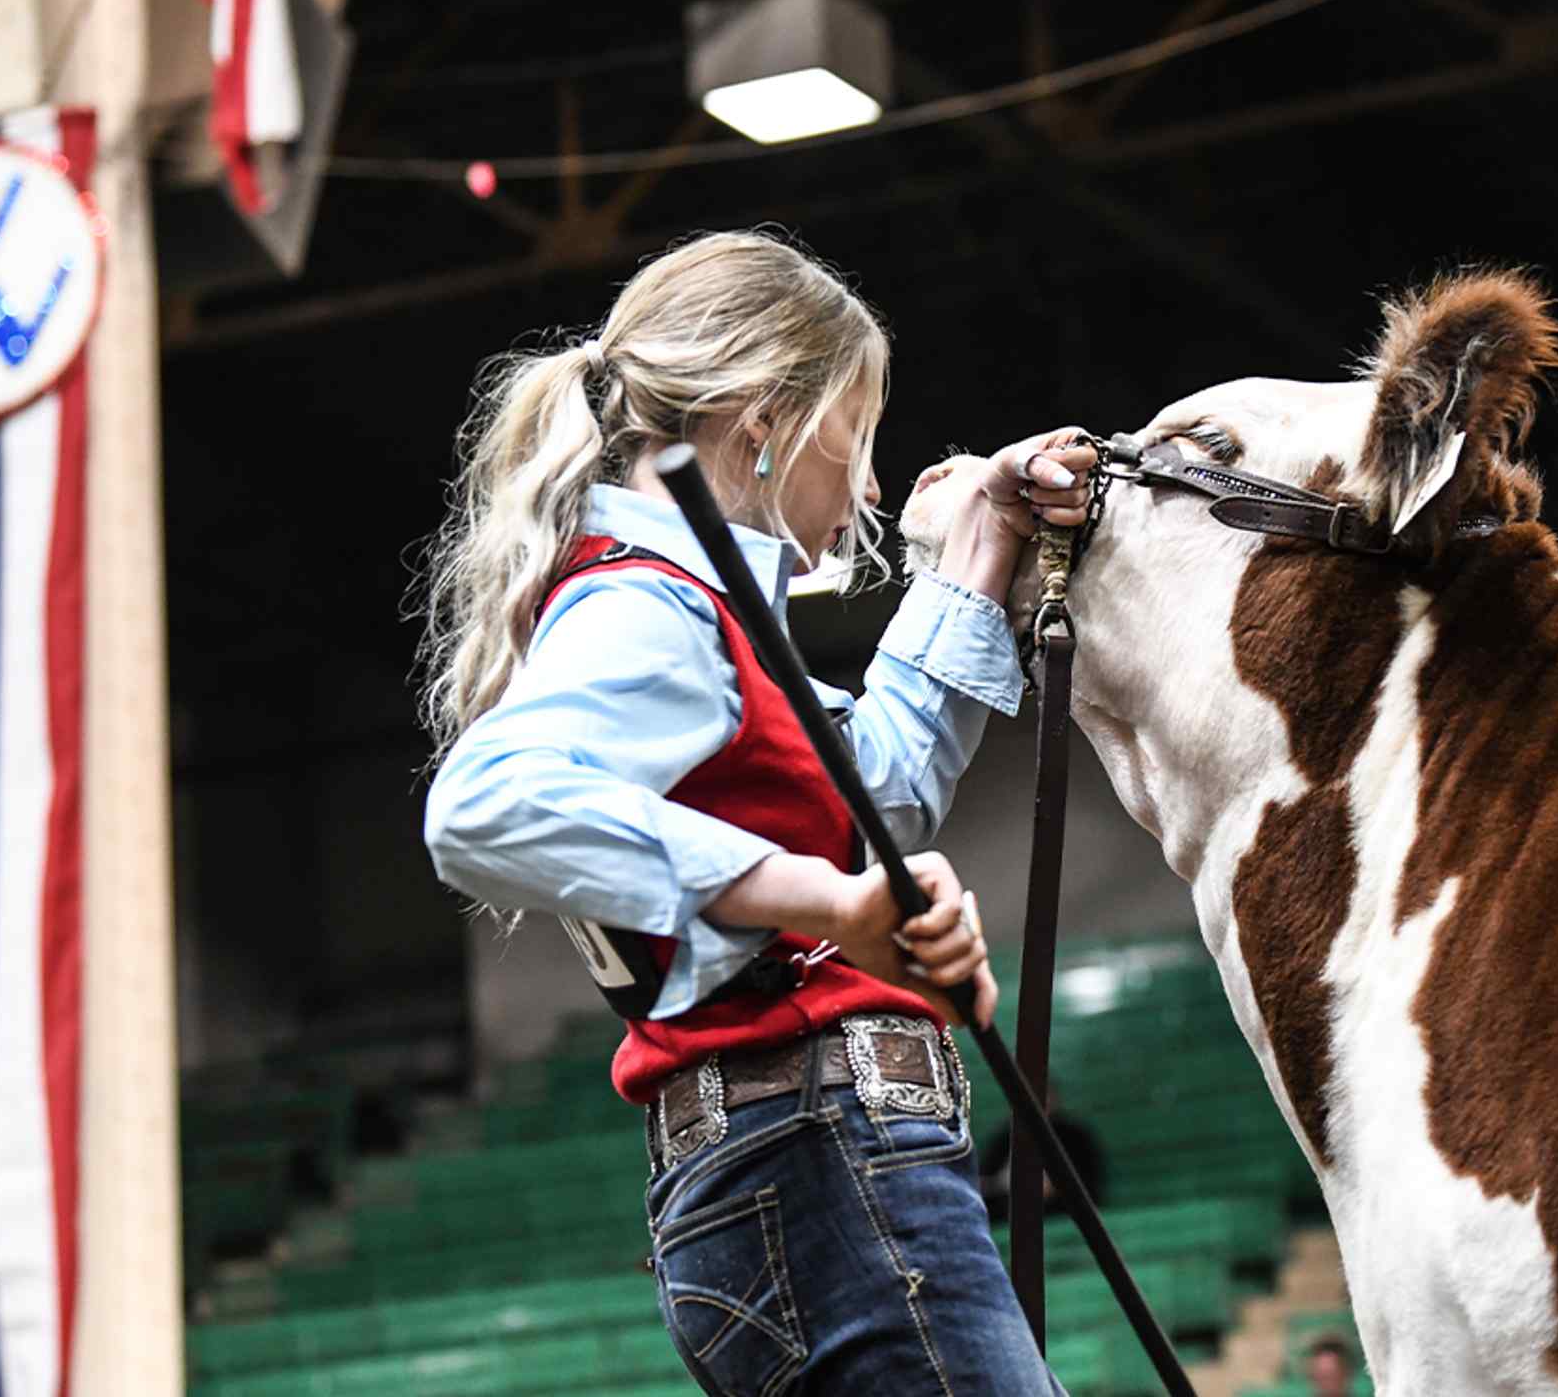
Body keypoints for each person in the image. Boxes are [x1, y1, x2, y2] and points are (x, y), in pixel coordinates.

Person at [417, 229, 1096, 1395]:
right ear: (766, 418)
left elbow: (875, 785)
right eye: (859, 433)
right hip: (827, 1156)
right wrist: (835, 901)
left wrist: (979, 551)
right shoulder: (651, 606)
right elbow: (486, 801)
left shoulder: (694, 613)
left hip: (789, 1165)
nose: (872, 487)